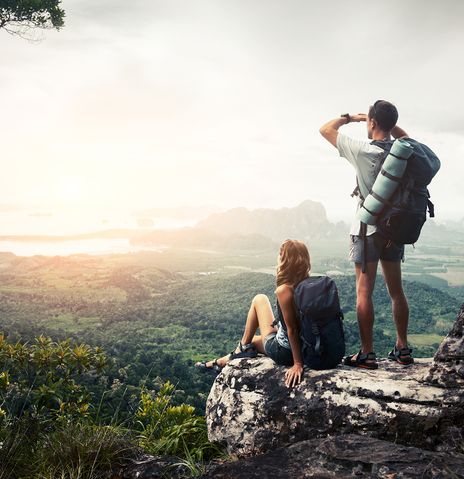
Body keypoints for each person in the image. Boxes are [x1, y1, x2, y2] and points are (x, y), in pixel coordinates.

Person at [319, 100, 413, 369]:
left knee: (364, 292)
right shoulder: (403, 150)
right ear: (392, 123)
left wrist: (354, 118)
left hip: (367, 229)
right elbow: (406, 138)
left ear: (372, 122)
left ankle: (367, 353)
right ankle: (403, 347)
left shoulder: (362, 150)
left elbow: (325, 129)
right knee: (397, 291)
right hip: (395, 229)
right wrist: (384, 122)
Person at [195, 239, 310, 388]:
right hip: (307, 347)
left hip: (285, 352)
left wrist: (297, 364)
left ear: (284, 260)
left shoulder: (285, 290)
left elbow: (292, 330)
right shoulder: (309, 285)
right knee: (254, 342)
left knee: (259, 299)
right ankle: (220, 361)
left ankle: (238, 351)